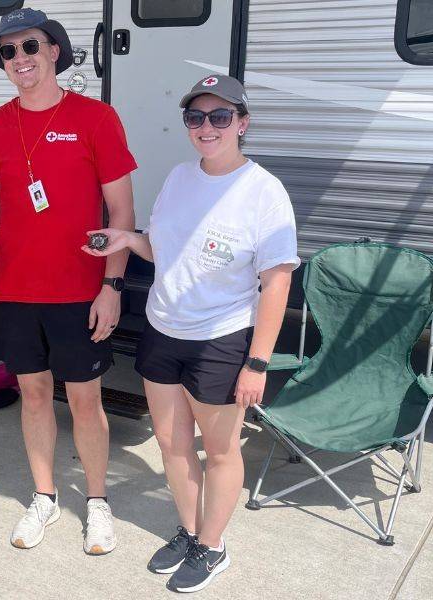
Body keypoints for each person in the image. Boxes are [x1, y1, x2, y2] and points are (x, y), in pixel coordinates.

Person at [83, 74, 299, 592]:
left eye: (220, 117)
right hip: (163, 328)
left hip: (221, 340)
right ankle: (188, 530)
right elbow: (162, 248)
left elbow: (277, 283)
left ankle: (213, 545)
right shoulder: (180, 177)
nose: (207, 127)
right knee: (170, 442)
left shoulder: (264, 193)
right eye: (196, 118)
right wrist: (126, 239)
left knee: (221, 452)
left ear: (241, 124)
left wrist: (258, 363)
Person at [0, 8, 136, 554]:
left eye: (29, 47)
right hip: (13, 291)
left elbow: (121, 211)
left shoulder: (96, 118)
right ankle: (44, 496)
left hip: (80, 292)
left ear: (54, 52)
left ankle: (97, 504)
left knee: (87, 402)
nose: (19, 58)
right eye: (8, 51)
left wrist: (111, 287)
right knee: (34, 394)